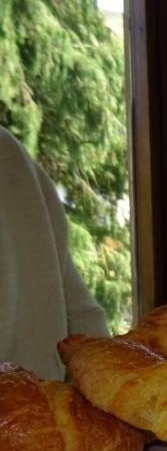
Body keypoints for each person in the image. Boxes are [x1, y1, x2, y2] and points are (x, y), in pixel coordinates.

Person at [0, 125, 110, 381]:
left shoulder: (9, 157)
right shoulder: (9, 154)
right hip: (47, 411)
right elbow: (86, 327)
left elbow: (85, 332)